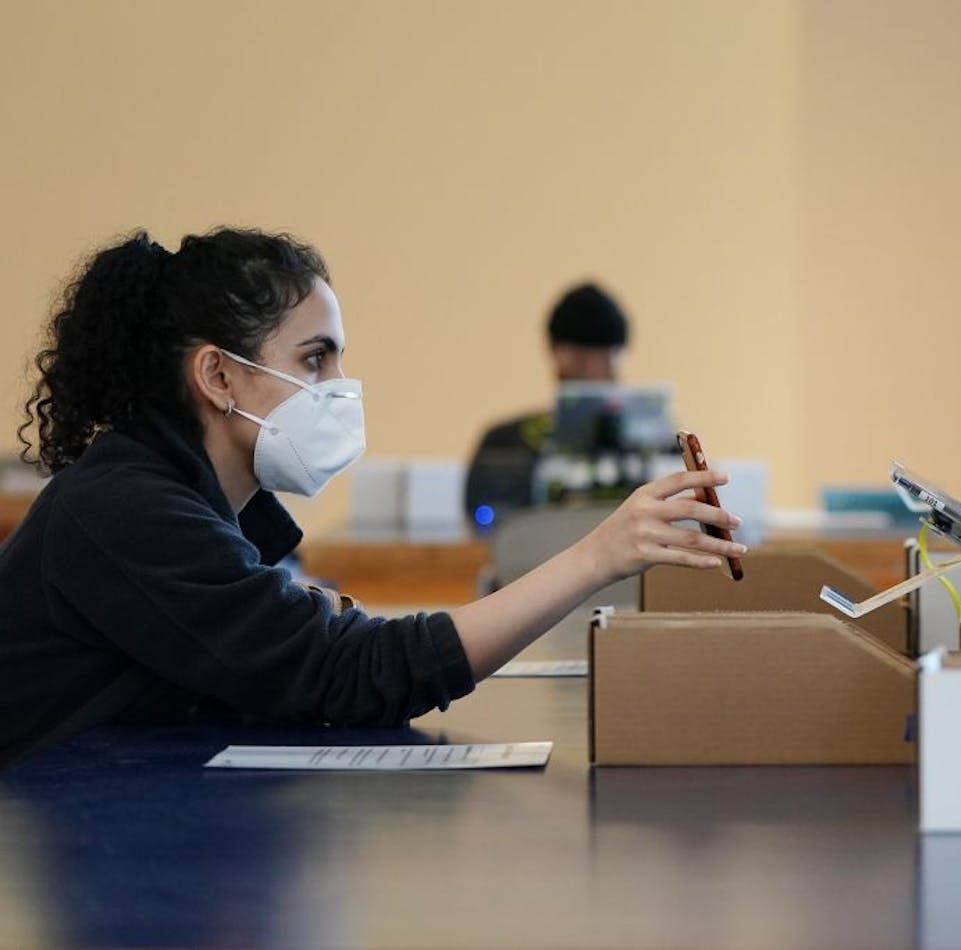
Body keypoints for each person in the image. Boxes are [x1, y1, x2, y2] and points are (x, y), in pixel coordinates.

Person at [0, 230, 743, 767]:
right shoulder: (124, 509)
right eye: (315, 359)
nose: (339, 387)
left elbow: (293, 645)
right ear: (218, 378)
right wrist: (596, 556)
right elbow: (346, 674)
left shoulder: (203, 505)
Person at [463, 282, 629, 524]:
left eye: (605, 357)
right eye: (581, 358)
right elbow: (488, 524)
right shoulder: (506, 443)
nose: (594, 370)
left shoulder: (657, 442)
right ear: (555, 354)